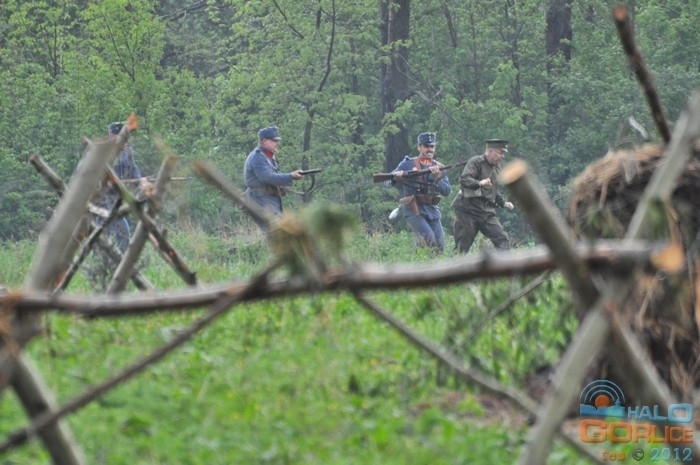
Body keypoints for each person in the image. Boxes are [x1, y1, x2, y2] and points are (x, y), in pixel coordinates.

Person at [387, 132, 452, 251]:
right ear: (419, 147)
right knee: (429, 238)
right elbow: (387, 181)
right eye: (426, 146)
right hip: (413, 209)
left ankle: (418, 257)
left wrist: (437, 178)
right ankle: (416, 257)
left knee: (440, 246)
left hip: (432, 210)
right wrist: (396, 177)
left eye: (432, 146)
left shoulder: (439, 167)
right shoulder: (408, 164)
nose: (429, 149)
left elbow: (447, 191)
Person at [452, 139, 515, 253]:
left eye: (504, 153)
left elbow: (493, 190)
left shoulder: (497, 167)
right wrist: (479, 183)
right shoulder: (476, 162)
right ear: (490, 151)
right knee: (462, 248)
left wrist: (503, 203)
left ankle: (504, 264)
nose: (503, 156)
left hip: (486, 212)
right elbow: (464, 179)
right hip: (468, 211)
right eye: (500, 153)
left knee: (502, 240)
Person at [97, 121, 146, 252]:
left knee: (121, 233)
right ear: (112, 136)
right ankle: (102, 259)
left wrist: (140, 179)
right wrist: (104, 180)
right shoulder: (103, 151)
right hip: (103, 199)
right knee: (103, 233)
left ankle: (119, 259)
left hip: (117, 198)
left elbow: (133, 168)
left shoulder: (127, 150)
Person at [243, 126, 303, 228]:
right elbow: (268, 177)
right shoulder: (257, 157)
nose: (277, 143)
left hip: (267, 199)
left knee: (278, 229)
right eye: (274, 141)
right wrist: (291, 176)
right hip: (261, 199)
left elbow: (272, 177)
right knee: (275, 229)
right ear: (264, 141)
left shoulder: (267, 156)